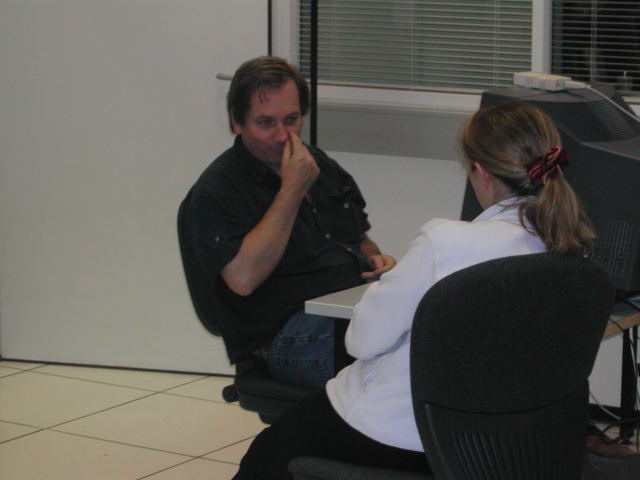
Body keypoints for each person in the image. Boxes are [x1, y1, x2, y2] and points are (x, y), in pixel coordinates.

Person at [232, 99, 596, 479]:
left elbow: (361, 342)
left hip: (405, 433)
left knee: (267, 455)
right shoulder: (570, 245)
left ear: (481, 173)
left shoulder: (446, 242)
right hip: (507, 441)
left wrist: (394, 285)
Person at [181, 56, 395, 389]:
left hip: (341, 308)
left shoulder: (315, 162)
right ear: (237, 122)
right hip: (281, 335)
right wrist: (292, 190)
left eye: (292, 120)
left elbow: (359, 238)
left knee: (425, 323)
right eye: (266, 122)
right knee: (399, 363)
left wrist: (373, 257)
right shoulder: (218, 190)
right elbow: (243, 278)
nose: (282, 135)